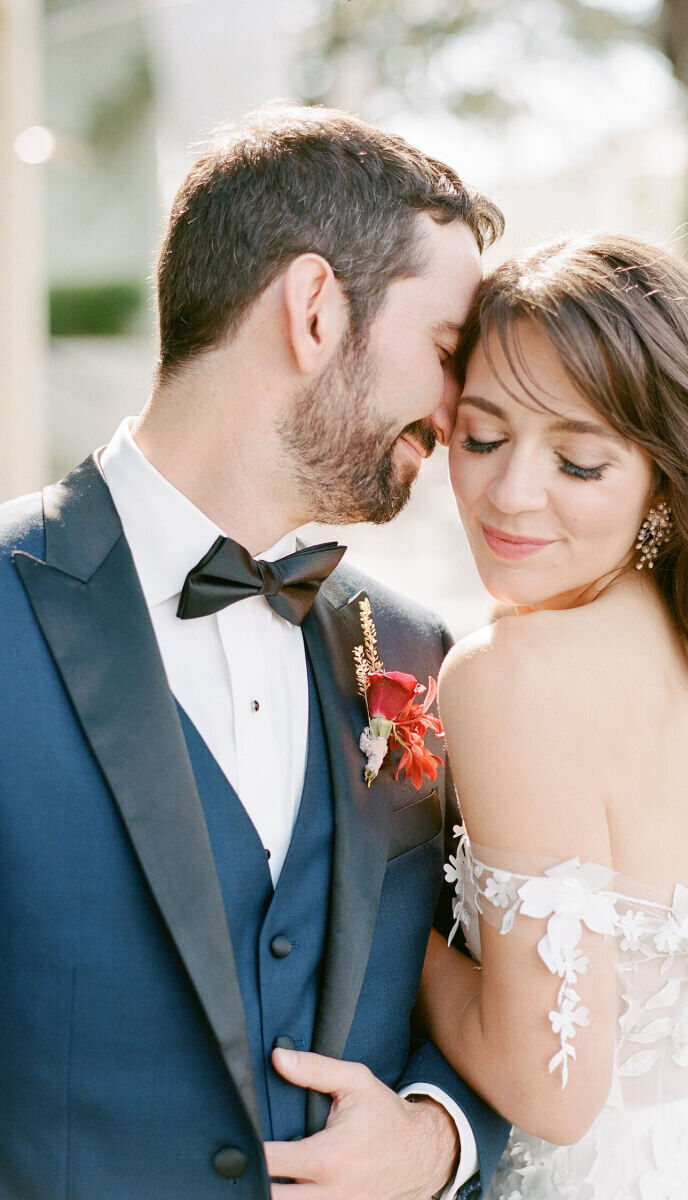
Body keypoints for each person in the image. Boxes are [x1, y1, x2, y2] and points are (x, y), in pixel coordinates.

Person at [0, 105, 511, 1199]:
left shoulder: (418, 650)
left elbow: (505, 999)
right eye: (447, 350)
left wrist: (437, 1142)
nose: (463, 406)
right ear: (316, 310)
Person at [417, 235, 688, 1198]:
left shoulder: (510, 674)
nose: (511, 494)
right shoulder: (668, 624)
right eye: (481, 437)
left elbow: (551, 1088)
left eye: (580, 462)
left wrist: (400, 934)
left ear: (664, 470)